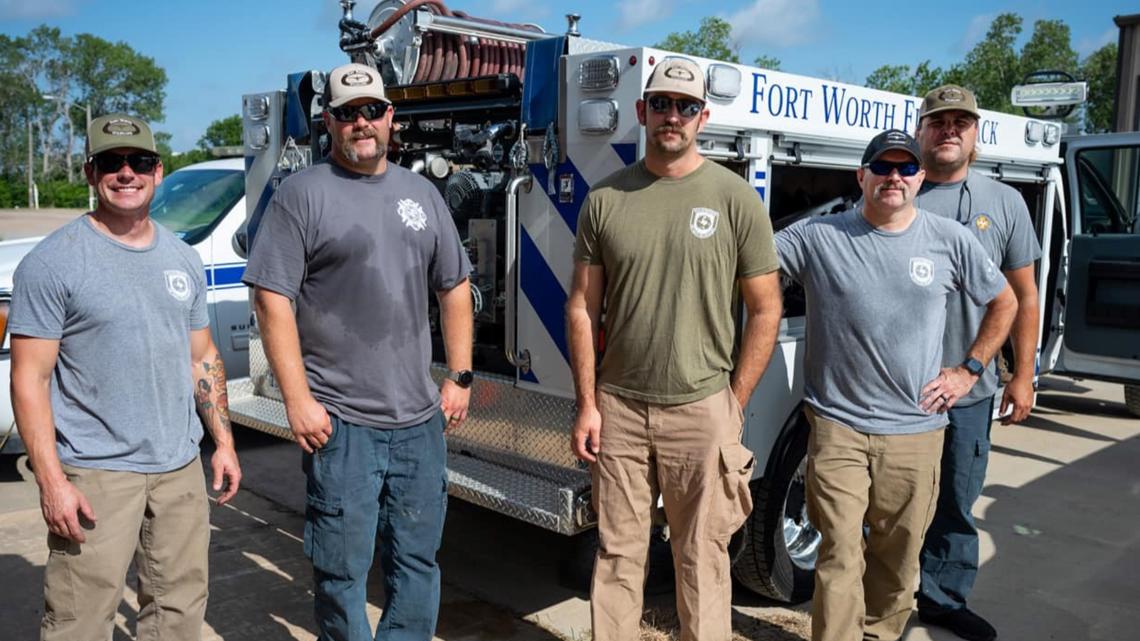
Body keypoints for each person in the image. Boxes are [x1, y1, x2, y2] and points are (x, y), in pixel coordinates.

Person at [241, 62, 473, 641]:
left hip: (420, 422)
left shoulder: (422, 195)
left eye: (372, 110)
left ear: (391, 117)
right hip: (341, 426)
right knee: (341, 571)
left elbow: (454, 287)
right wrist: (297, 400)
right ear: (330, 122)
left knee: (417, 562)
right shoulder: (301, 196)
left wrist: (461, 376)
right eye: (348, 114)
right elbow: (272, 300)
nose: (362, 123)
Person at [566, 57, 783, 641]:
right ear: (641, 111)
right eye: (661, 103)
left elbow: (766, 308)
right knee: (617, 555)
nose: (673, 116)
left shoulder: (734, 199)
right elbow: (583, 309)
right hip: (621, 411)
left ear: (703, 117)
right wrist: (587, 403)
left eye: (686, 107)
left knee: (702, 557)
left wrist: (733, 403)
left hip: (702, 408)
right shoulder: (606, 199)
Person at [775, 129, 1017, 641]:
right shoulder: (819, 237)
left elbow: (1006, 302)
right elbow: (748, 261)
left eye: (906, 168)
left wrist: (968, 370)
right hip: (838, 426)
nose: (894, 177)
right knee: (839, 551)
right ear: (861, 176)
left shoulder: (951, 240)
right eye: (882, 167)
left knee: (898, 556)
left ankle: (880, 634)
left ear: (920, 177)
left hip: (916, 432)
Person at [9, 113, 242, 641]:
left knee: (179, 612)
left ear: (158, 171)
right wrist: (52, 483)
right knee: (79, 622)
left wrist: (222, 444)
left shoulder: (182, 258)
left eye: (138, 162)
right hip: (96, 475)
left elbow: (201, 357)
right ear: (91, 174)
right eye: (111, 163)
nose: (126, 173)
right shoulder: (53, 264)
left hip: (179, 469)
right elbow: (29, 380)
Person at [912, 85, 1042, 641]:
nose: (949, 130)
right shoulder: (897, 190)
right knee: (893, 504)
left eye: (960, 122)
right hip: (900, 389)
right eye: (938, 121)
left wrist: (1023, 373)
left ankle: (942, 600)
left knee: (957, 501)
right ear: (921, 130)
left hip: (972, 386)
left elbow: (1025, 295)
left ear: (976, 133)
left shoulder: (1004, 202)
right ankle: (886, 600)